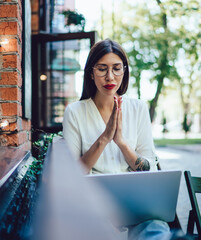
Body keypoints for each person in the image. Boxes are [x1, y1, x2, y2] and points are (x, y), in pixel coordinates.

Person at [62, 39, 177, 240]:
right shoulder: (75, 112)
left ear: (124, 71)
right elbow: (73, 174)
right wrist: (104, 139)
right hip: (94, 205)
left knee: (156, 229)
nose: (110, 77)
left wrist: (122, 143)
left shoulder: (138, 108)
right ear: (91, 72)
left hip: (138, 205)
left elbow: (148, 168)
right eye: (102, 69)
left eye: (116, 69)